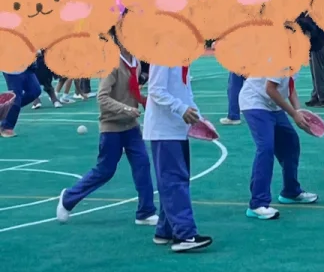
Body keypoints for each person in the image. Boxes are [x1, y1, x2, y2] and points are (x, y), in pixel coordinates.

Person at [56, 36, 157, 224]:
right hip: (112, 127)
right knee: (105, 170)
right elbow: (102, 97)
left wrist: (144, 102)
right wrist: (125, 109)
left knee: (142, 165)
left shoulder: (136, 63)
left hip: (131, 126)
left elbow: (131, 91)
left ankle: (146, 212)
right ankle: (68, 198)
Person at [143, 63, 212, 253]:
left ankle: (165, 230)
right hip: (164, 130)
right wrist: (181, 109)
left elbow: (185, 92)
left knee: (178, 180)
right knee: (174, 181)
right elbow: (156, 90)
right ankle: (184, 234)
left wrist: (199, 118)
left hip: (177, 128)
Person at [239, 74, 319, 218]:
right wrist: (293, 114)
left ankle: (291, 191)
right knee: (266, 148)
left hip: (272, 105)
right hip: (255, 102)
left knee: (291, 143)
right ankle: (257, 204)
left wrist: (299, 112)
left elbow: (290, 86)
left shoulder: (295, 62)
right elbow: (270, 89)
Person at [297, 11, 324, 107]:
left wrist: (301, 22)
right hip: (313, 46)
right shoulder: (309, 13)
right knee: (315, 74)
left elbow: (314, 31)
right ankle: (316, 96)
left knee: (318, 74)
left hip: (318, 46)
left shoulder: (314, 13)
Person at [0, 63, 42, 137]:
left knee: (35, 91)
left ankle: (5, 109)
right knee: (16, 98)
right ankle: (6, 127)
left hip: (26, 66)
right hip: (12, 68)